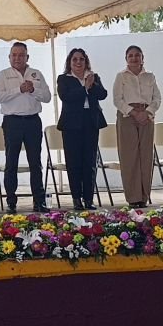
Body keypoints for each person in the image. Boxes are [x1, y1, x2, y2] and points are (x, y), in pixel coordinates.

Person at [0, 42, 51, 214]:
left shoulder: (36, 74)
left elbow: (47, 97)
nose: (17, 58)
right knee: (11, 162)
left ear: (27, 57)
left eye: (21, 55)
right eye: (14, 55)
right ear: (9, 57)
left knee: (35, 163)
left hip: (33, 121)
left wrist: (32, 90)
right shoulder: (3, 75)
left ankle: (39, 201)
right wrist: (19, 89)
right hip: (12, 122)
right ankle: (11, 202)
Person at [56, 48, 108, 210]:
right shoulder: (64, 79)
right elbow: (66, 97)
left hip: (90, 123)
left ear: (86, 61)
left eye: (81, 59)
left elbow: (103, 94)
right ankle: (76, 198)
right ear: (70, 62)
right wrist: (84, 87)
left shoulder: (93, 77)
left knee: (90, 162)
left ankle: (88, 199)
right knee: (74, 162)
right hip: (71, 125)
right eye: (75, 59)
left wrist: (91, 85)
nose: (78, 62)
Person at [112, 45, 161, 208]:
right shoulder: (121, 76)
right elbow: (117, 100)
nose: (134, 58)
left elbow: (157, 98)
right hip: (127, 116)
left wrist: (147, 112)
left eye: (137, 55)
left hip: (147, 116)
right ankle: (133, 198)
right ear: (126, 59)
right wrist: (133, 113)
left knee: (146, 156)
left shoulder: (150, 76)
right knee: (129, 157)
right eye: (131, 55)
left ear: (142, 58)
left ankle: (144, 196)